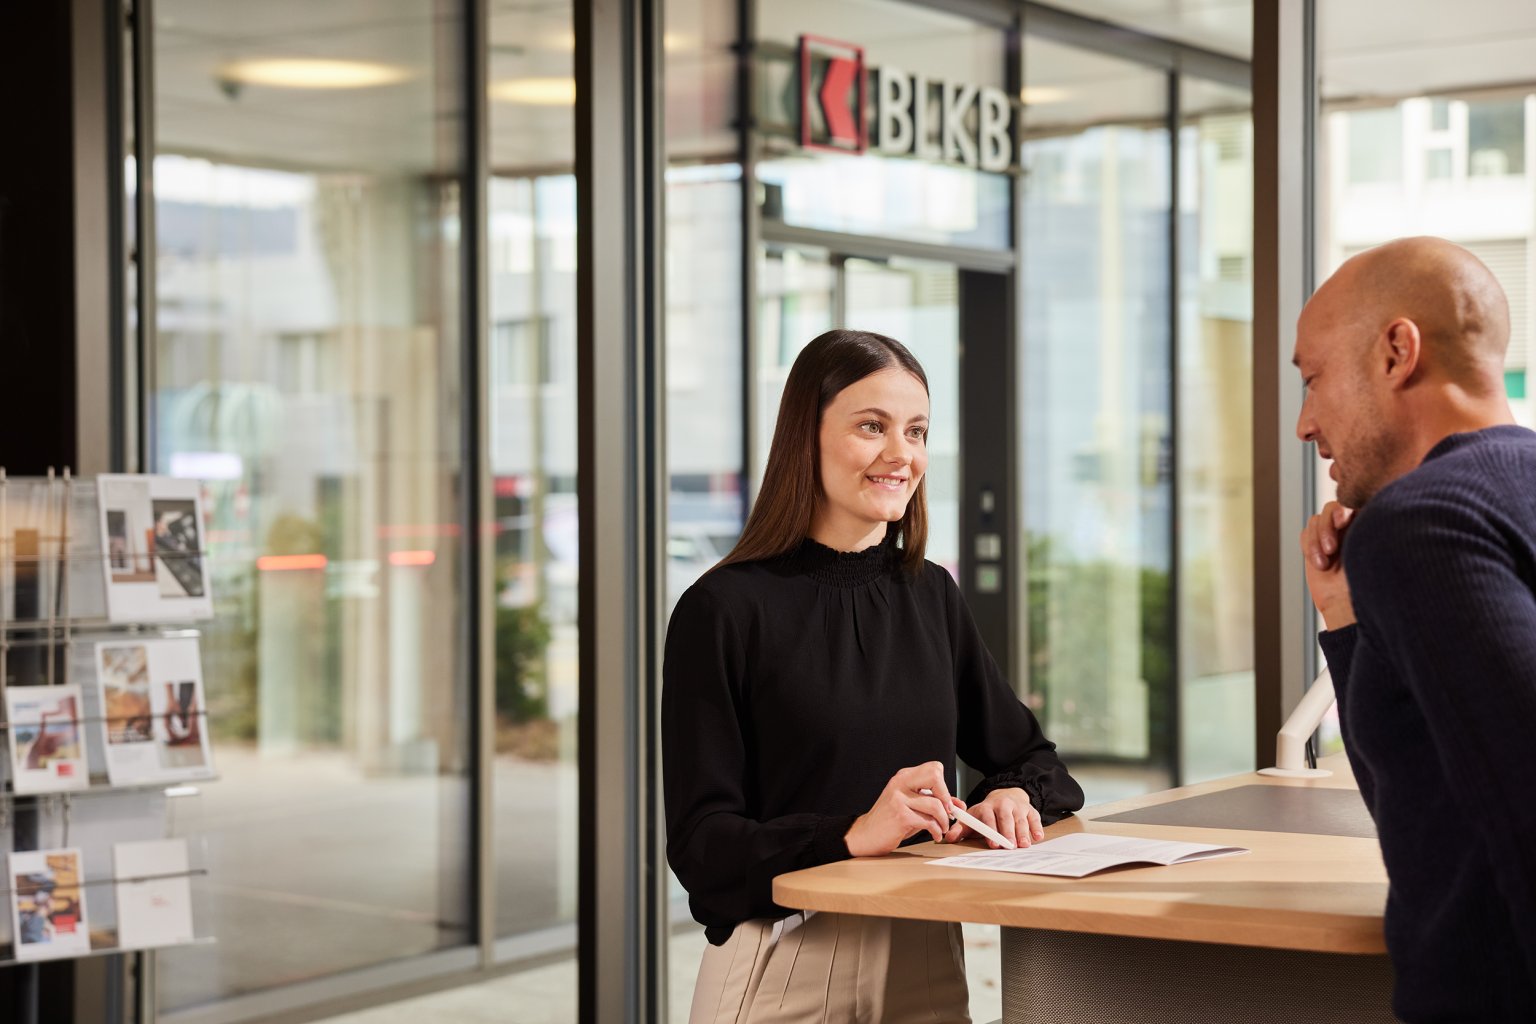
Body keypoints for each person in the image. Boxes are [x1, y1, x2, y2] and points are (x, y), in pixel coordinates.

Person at [663, 329, 1084, 1024]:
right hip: (785, 961)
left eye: (916, 431)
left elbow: (1037, 761)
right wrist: (852, 834)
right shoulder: (723, 608)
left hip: (926, 956)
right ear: (806, 436)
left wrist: (1011, 791)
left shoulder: (930, 595)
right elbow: (702, 847)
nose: (902, 454)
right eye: (871, 426)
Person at [1295, 237, 1536, 1021]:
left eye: (1313, 377)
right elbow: (1431, 803)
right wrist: (1345, 616)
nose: (1305, 422)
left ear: (1398, 351)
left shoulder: (1424, 523)